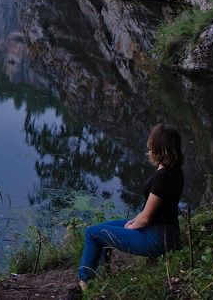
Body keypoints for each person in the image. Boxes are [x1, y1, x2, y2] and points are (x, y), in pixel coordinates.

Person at [75, 123, 185, 292]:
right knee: (103, 230)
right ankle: (103, 276)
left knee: (92, 233)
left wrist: (133, 225)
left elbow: (147, 217)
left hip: (155, 238)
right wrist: (135, 220)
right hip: (167, 233)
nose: (149, 146)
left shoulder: (163, 178)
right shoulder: (175, 171)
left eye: (152, 143)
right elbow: (154, 211)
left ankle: (84, 283)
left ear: (158, 147)